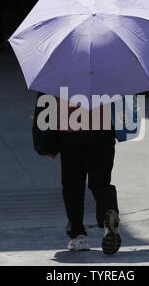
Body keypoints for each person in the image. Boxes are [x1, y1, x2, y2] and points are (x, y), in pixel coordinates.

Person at [57, 98, 121, 255]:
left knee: (73, 184)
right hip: (102, 128)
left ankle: (79, 235)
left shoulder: (60, 72)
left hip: (70, 127)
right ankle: (109, 218)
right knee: (101, 182)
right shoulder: (110, 72)